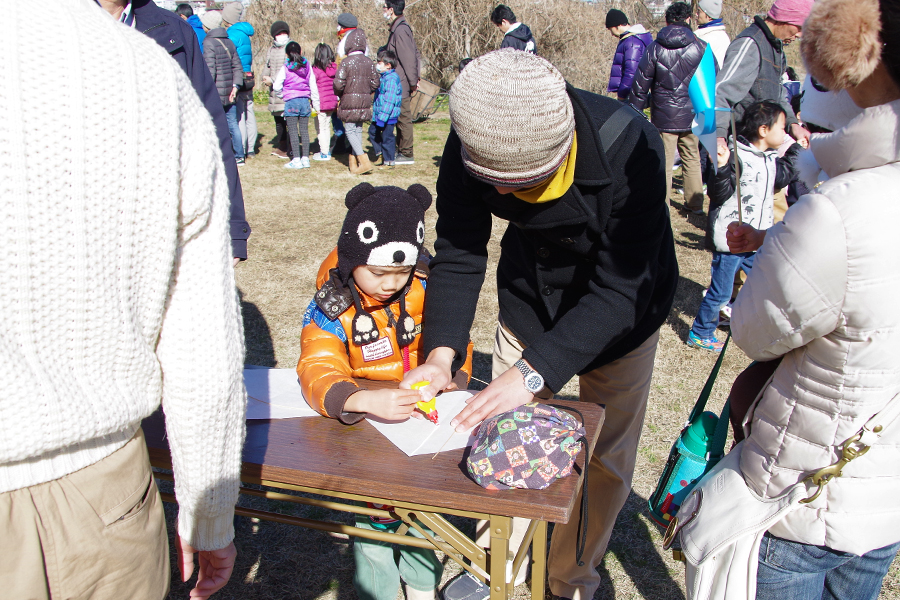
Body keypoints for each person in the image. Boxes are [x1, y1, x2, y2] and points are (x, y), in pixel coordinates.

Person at [401, 49, 678, 600]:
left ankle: (568, 581)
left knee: (602, 463)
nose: (503, 196)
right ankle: (498, 573)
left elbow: (620, 292)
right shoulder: (470, 136)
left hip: (624, 318)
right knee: (499, 445)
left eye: (521, 183)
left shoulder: (632, 145)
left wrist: (532, 374)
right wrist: (440, 355)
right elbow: (458, 250)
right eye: (492, 183)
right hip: (530, 298)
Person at [0, 2, 246, 599]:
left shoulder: (163, 57)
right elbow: (202, 346)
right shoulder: (150, 76)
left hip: (97, 486)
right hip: (101, 499)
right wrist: (209, 518)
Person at [725, 0, 900, 596]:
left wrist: (780, 251)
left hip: (806, 491)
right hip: (885, 499)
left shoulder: (840, 208)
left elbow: (754, 330)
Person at [297, 182, 472, 600]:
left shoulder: (425, 286)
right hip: (365, 427)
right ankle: (381, 593)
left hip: (424, 420)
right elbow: (317, 362)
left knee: (426, 513)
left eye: (401, 272)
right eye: (377, 273)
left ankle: (422, 586)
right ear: (354, 259)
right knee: (371, 519)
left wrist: (449, 376)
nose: (391, 284)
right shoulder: (332, 302)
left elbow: (454, 340)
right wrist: (359, 399)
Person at [99, 0, 251, 263]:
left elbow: (210, 130)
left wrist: (232, 226)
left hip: (158, 219)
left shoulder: (173, 31)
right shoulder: (47, 26)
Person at [687, 101, 801, 352]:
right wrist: (722, 166)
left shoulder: (769, 158)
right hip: (733, 239)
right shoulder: (735, 154)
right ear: (763, 130)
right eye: (782, 128)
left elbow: (781, 178)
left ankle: (748, 322)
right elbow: (719, 193)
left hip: (757, 236)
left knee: (766, 280)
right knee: (721, 292)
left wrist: (796, 151)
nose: (785, 134)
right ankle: (700, 332)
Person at [628, 2, 707, 213]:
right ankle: (696, 203)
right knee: (692, 158)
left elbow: (640, 83)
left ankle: (662, 205)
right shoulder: (702, 47)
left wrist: (633, 112)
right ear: (688, 19)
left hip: (664, 114)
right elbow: (712, 80)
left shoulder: (655, 47)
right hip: (693, 113)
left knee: (664, 161)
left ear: (667, 20)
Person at [714, 0, 814, 148]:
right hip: (740, 147)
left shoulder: (776, 49)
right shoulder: (750, 44)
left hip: (762, 147)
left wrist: (792, 124)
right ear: (783, 18)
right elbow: (721, 92)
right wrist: (718, 136)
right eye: (799, 27)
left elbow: (778, 94)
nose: (799, 35)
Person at [202, 11, 245, 167]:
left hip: (215, 92)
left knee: (215, 124)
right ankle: (239, 155)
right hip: (230, 91)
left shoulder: (208, 43)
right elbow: (237, 67)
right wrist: (236, 86)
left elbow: (209, 70)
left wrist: (206, 90)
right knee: (232, 123)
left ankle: (219, 154)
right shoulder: (229, 41)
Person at [334, 29, 380, 175]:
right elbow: (375, 82)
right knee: (358, 129)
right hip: (364, 100)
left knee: (349, 129)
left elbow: (338, 84)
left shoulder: (346, 62)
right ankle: (354, 164)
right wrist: (366, 91)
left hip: (348, 100)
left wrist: (340, 94)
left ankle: (364, 162)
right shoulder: (369, 62)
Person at [384, 0, 420, 165]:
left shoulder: (400, 30)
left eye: (384, 7)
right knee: (400, 118)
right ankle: (401, 150)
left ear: (391, 9)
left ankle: (406, 153)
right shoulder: (397, 29)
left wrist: (413, 81)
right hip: (400, 81)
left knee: (404, 118)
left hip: (403, 82)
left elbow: (409, 58)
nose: (383, 11)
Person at [274, 42, 320, 170]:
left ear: (286, 54)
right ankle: (305, 159)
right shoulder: (307, 67)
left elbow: (276, 86)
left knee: (293, 132)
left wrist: (283, 95)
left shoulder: (285, 68)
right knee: (304, 131)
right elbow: (313, 86)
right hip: (305, 101)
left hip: (291, 102)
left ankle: (296, 160)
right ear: (300, 52)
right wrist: (316, 104)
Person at [223, 2, 257, 159]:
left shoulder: (231, 35)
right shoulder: (244, 33)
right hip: (249, 75)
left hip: (238, 76)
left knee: (239, 114)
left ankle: (241, 148)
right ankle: (251, 147)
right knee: (249, 111)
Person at [605, 9, 652, 102]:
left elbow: (631, 71)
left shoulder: (632, 42)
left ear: (617, 26)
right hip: (635, 92)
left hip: (632, 94)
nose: (611, 34)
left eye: (611, 30)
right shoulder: (632, 39)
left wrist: (622, 96)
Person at [262, 20, 293, 159]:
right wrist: (265, 76)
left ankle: (290, 147)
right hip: (274, 92)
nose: (281, 35)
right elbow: (267, 65)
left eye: (284, 33)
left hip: (286, 90)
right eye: (278, 33)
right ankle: (282, 145)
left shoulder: (290, 48)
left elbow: (287, 69)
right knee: (278, 121)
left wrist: (273, 79)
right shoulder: (271, 49)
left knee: (288, 120)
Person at [370, 49, 404, 168]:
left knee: (387, 138)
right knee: (372, 132)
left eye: (380, 63)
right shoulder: (383, 77)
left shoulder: (391, 79)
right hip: (380, 114)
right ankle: (380, 153)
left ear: (388, 65)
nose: (377, 65)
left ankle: (389, 160)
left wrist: (382, 118)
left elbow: (390, 100)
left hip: (387, 116)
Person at [312, 43, 339, 161]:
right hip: (331, 102)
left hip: (321, 103)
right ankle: (325, 150)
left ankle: (324, 153)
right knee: (326, 127)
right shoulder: (334, 68)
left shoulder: (316, 70)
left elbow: (312, 86)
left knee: (320, 128)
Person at [693, 0, 729, 68]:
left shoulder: (706, 39)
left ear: (709, 16)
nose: (696, 14)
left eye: (699, 12)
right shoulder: (724, 37)